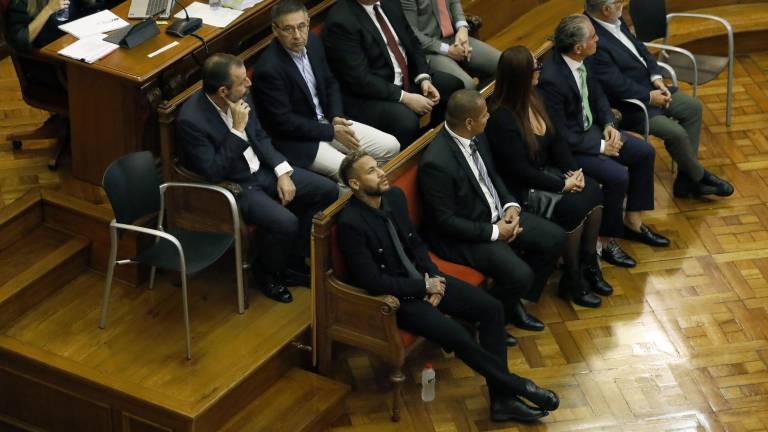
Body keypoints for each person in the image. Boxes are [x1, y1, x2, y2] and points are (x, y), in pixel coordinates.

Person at [337, 150, 559, 422]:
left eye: (379, 166)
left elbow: (416, 244)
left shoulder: (394, 197)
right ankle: (517, 387)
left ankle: (502, 401)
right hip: (399, 298)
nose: (382, 172)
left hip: (427, 280)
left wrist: (434, 277)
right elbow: (372, 281)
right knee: (457, 336)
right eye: (371, 171)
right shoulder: (350, 223)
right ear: (355, 184)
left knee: (491, 309)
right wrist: (423, 287)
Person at [176, 53, 338, 304]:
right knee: (286, 223)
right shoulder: (191, 120)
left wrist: (282, 171)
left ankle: (292, 262)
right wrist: (237, 132)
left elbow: (261, 137)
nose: (249, 84)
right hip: (237, 186)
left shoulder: (241, 96)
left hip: (263, 171)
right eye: (242, 82)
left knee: (326, 191)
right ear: (222, 91)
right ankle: (267, 274)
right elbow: (212, 171)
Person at [419, 89, 566, 330]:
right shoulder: (436, 163)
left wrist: (511, 206)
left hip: (497, 217)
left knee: (554, 238)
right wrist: (497, 232)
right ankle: (487, 318)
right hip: (464, 236)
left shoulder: (477, 136)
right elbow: (445, 221)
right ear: (469, 122)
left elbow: (492, 176)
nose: (489, 117)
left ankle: (510, 305)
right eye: (485, 114)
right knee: (520, 275)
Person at [538, 14, 669, 269]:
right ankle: (607, 242)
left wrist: (609, 124)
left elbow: (598, 95)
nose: (598, 39)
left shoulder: (585, 58)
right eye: (593, 37)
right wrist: (601, 147)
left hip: (595, 131)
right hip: (573, 146)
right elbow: (560, 134)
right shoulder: (552, 79)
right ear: (578, 47)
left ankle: (633, 222)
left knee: (644, 152)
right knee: (617, 176)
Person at [486, 46, 610, 308]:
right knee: (575, 205)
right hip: (524, 188)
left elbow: (558, 143)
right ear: (520, 75)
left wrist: (575, 172)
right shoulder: (501, 118)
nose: (540, 71)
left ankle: (590, 266)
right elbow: (519, 171)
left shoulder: (536, 98)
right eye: (535, 68)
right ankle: (572, 279)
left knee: (594, 190)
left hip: (550, 176)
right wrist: (562, 184)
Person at [584, 0, 733, 199]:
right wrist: (648, 96)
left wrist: (657, 78)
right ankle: (699, 176)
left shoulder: (615, 19)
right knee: (676, 133)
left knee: (693, 107)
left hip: (651, 88)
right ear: (606, 9)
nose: (623, 4)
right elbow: (615, 84)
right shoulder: (592, 36)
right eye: (619, 1)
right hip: (631, 105)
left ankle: (685, 181)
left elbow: (641, 49)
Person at [252, 0, 400, 190]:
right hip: (301, 141)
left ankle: (374, 195)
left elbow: (330, 82)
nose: (297, 35)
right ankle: (349, 211)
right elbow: (284, 122)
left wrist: (336, 117)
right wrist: (331, 132)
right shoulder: (268, 69)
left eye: (301, 27)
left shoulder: (313, 42)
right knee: (353, 175)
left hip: (330, 123)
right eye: (288, 29)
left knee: (391, 146)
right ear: (275, 29)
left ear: (308, 22)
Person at [321, 0, 464, 147]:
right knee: (406, 121)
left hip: (407, 78)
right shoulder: (340, 21)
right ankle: (414, 156)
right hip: (370, 96)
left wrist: (423, 78)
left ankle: (438, 141)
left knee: (454, 87)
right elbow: (360, 80)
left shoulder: (390, 2)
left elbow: (412, 41)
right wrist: (405, 97)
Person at [399, 0, 500, 90]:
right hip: (429, 49)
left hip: (454, 38)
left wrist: (462, 28)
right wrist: (447, 50)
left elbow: (454, 2)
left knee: (503, 64)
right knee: (468, 86)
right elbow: (412, 33)